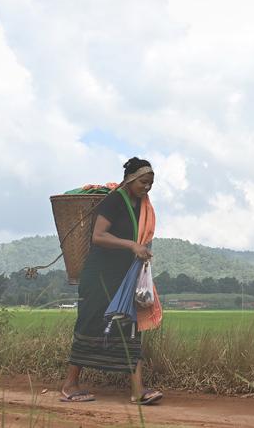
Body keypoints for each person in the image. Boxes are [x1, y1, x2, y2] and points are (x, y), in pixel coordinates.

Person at [62, 157, 164, 406]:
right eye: (143, 182)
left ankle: (138, 389)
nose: (147, 187)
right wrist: (131, 245)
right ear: (129, 179)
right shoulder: (114, 201)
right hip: (99, 277)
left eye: (150, 183)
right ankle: (69, 385)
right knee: (89, 325)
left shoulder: (142, 206)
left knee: (130, 329)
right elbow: (98, 236)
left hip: (124, 278)